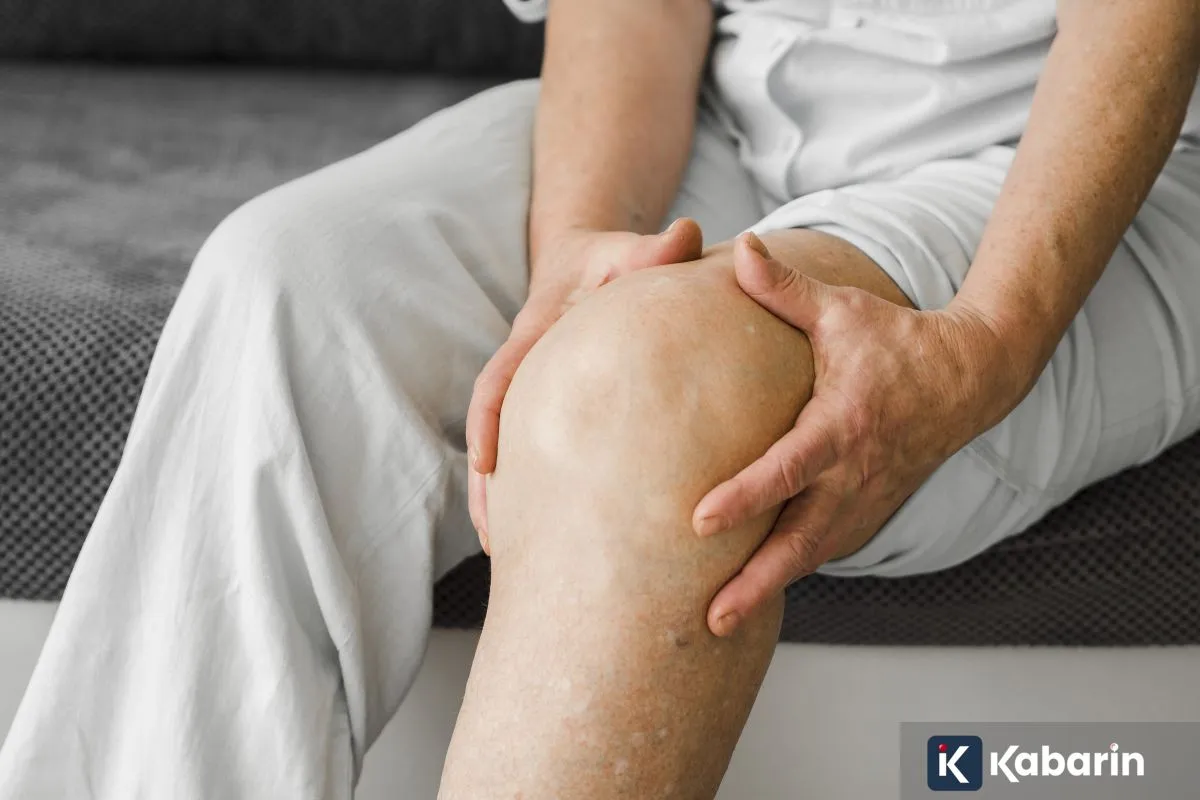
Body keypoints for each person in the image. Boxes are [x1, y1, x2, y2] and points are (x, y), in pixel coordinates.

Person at [2, 0, 1198, 797]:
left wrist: (984, 341)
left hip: (1091, 159)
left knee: (646, 391)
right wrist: (576, 247)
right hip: (736, 112)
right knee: (290, 283)